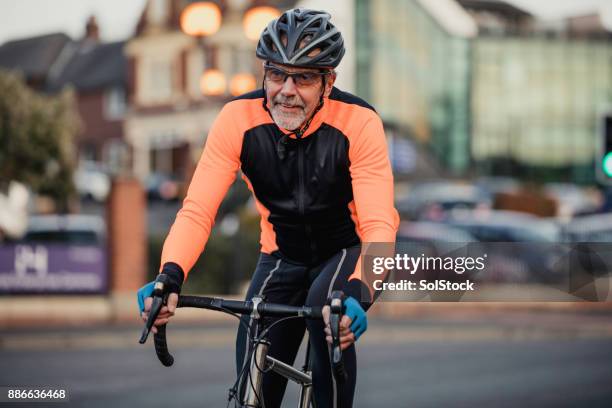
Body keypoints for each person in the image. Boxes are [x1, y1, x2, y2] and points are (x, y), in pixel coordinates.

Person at [139, 8, 398, 407]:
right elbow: (197, 211)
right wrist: (169, 275)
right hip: (280, 255)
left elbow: (380, 224)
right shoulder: (236, 120)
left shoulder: (359, 123)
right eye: (277, 74)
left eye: (304, 78)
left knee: (324, 310)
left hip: (346, 253)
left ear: (329, 82)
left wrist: (360, 292)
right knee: (254, 378)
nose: (287, 90)